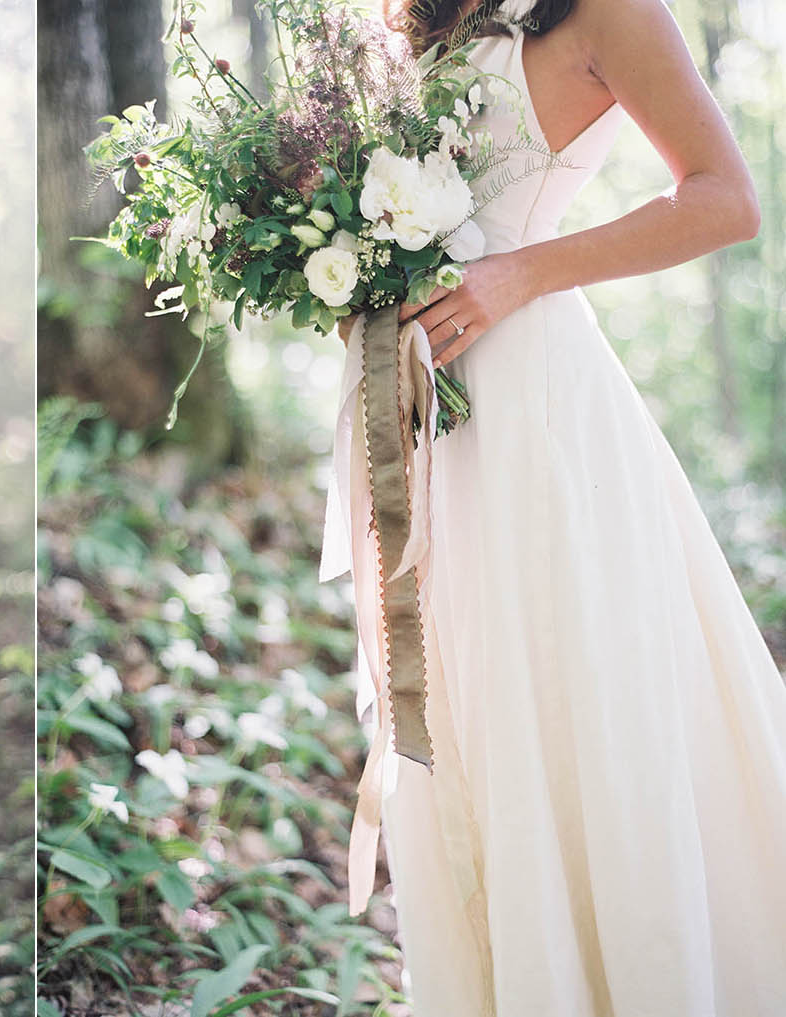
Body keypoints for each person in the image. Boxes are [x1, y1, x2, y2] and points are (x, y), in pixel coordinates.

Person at [327, 0, 786, 1014]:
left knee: (574, 685)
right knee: (464, 696)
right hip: (422, 404)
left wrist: (517, 275)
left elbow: (725, 199)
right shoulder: (413, 20)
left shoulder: (614, 10)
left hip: (538, 405)